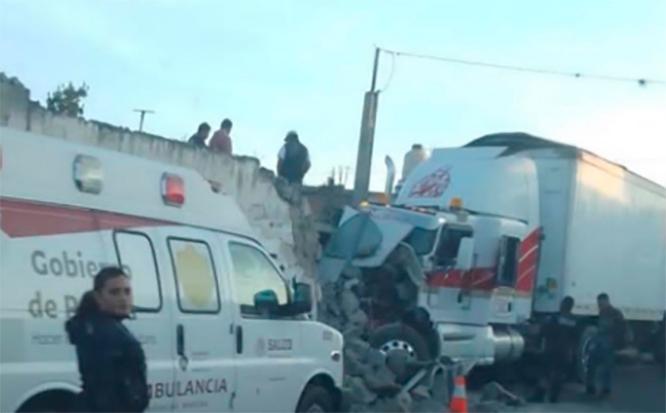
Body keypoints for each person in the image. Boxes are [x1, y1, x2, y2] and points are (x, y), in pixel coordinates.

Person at [65, 267, 149, 412]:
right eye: (114, 292)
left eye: (127, 291)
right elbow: (127, 394)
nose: (123, 298)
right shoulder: (115, 337)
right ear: (98, 297)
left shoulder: (86, 326)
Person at [530, 296, 577, 403]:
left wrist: (537, 344)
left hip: (551, 349)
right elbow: (575, 338)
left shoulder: (554, 317)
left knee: (545, 373)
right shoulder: (574, 320)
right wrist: (572, 352)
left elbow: (544, 331)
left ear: (562, 305)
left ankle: (539, 396)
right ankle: (554, 397)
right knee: (559, 374)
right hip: (565, 352)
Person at [585, 293, 626, 398]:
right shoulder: (603, 312)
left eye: (601, 303)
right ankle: (592, 387)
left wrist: (616, 342)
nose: (599, 305)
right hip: (601, 342)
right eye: (599, 303)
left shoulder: (615, 313)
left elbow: (620, 329)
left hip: (608, 342)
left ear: (606, 301)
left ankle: (604, 388)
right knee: (593, 364)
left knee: (605, 367)